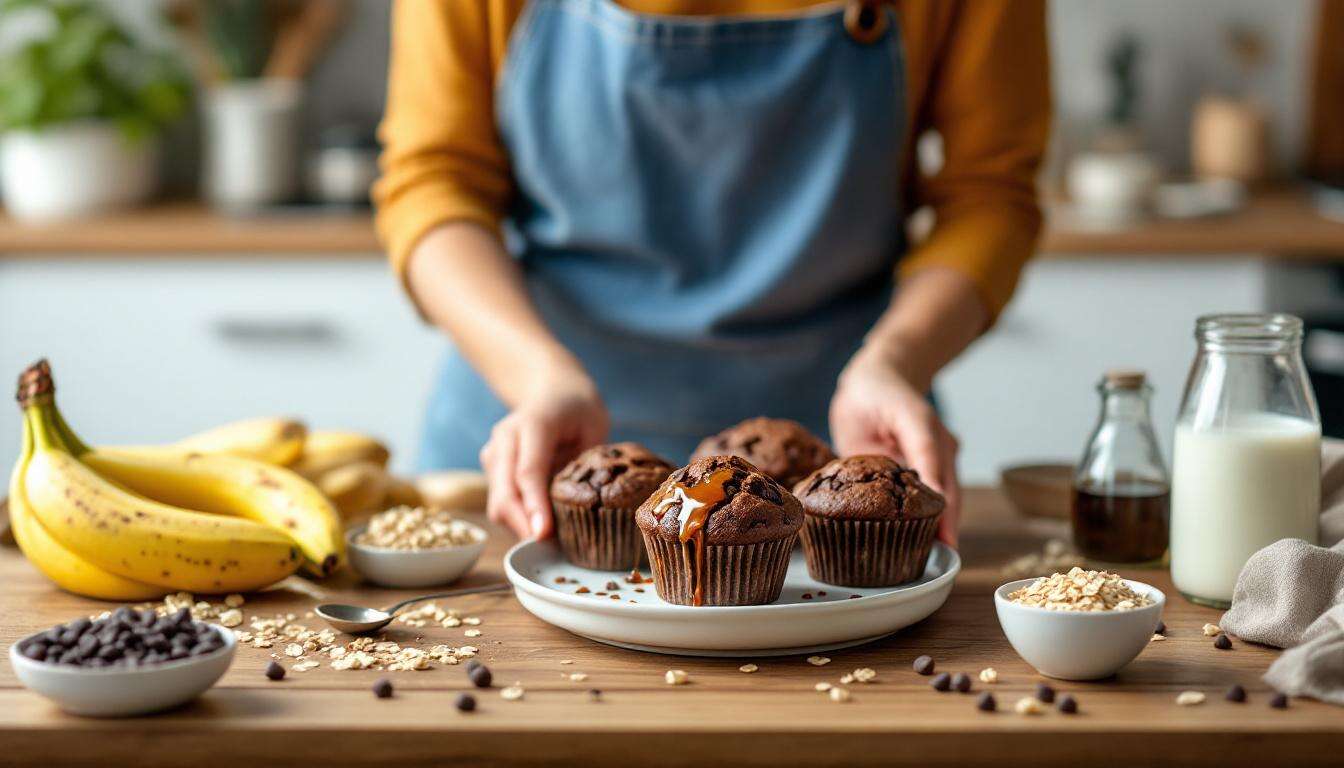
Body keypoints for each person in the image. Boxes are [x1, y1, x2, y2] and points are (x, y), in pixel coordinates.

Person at [373, 0, 1051, 547]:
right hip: (535, 439)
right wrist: (535, 375)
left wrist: (898, 360)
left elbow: (988, 194)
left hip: (842, 429)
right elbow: (434, 184)